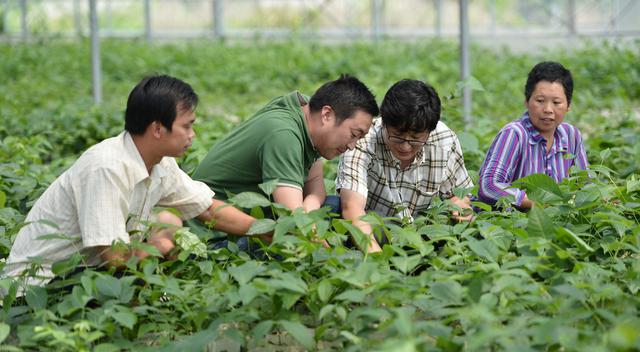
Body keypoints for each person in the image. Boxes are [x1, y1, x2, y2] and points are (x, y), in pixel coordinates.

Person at [2, 75, 264, 288]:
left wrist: (271, 230)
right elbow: (114, 258)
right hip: (41, 286)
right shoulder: (107, 167)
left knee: (169, 224)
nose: (192, 135)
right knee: (166, 236)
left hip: (88, 273)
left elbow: (207, 208)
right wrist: (159, 249)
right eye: (187, 126)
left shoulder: (160, 162)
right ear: (158, 129)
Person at [192, 75, 379, 214]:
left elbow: (314, 183)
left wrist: (309, 207)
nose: (353, 145)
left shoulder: (306, 113)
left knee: (344, 210)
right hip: (215, 232)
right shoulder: (284, 135)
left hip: (256, 217)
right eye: (354, 134)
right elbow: (294, 223)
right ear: (327, 115)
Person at [336, 79, 474, 253]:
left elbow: (459, 195)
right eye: (398, 136)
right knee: (334, 207)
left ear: (429, 131)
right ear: (383, 123)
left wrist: (459, 206)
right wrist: (378, 261)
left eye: (415, 139)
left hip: (423, 235)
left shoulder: (444, 140)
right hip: (374, 232)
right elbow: (352, 208)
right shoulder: (362, 141)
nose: (406, 146)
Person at [478, 61, 589, 209]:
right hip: (508, 223)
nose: (548, 109)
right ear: (527, 101)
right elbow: (489, 185)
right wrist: (531, 204)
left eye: (556, 102)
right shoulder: (514, 134)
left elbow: (586, 186)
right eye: (540, 101)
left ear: (568, 106)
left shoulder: (571, 136)